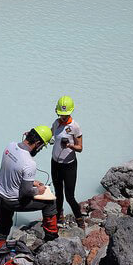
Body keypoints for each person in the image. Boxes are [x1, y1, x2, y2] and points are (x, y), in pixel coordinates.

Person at [0, 125, 58, 253]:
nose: (40, 149)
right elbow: (25, 193)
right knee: (50, 203)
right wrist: (38, 190)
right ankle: (51, 238)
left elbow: (12, 171)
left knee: (3, 224)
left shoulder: (10, 146)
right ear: (38, 143)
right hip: (12, 201)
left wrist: (32, 182)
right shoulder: (29, 163)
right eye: (41, 147)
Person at [51, 96, 84, 228]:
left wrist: (70, 145)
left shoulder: (75, 127)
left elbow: (80, 148)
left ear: (70, 112)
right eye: (60, 114)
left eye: (65, 115)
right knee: (58, 193)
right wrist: (34, 136)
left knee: (69, 196)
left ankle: (79, 218)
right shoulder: (56, 123)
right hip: (55, 163)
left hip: (69, 165)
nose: (63, 117)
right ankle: (59, 216)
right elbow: (49, 134)